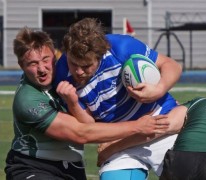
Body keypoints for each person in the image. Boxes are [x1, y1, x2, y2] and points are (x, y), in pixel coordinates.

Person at [4, 27, 169, 180]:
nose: (41, 69)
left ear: (55, 55)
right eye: (32, 64)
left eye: (45, 59)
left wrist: (159, 91)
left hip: (73, 166)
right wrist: (138, 126)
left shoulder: (71, 74)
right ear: (21, 66)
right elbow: (80, 133)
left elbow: (90, 120)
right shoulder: (28, 100)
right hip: (33, 166)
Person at [54, 18, 182, 179]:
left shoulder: (122, 47)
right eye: (73, 64)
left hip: (160, 123)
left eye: (86, 66)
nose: (78, 72)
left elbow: (171, 65)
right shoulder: (61, 75)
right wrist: (72, 103)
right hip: (118, 140)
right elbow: (89, 126)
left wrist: (158, 90)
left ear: (100, 56)